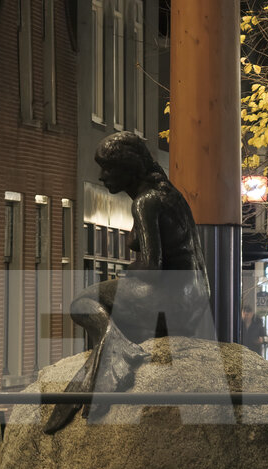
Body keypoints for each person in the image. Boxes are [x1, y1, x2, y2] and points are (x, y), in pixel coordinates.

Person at [45, 132, 212, 433]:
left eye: (109, 167)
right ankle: (114, 344)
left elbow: (152, 265)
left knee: (84, 302)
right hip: (191, 302)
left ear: (129, 167)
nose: (102, 175)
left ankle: (114, 349)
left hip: (170, 301)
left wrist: (125, 275)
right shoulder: (169, 195)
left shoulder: (146, 202)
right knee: (108, 300)